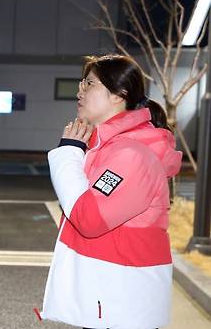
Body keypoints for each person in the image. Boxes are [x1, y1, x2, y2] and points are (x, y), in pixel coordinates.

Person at [40, 54, 182, 329]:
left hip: (121, 303)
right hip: (112, 298)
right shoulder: (111, 149)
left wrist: (69, 153)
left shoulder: (132, 156)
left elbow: (88, 218)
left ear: (119, 95)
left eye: (89, 84)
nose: (79, 91)